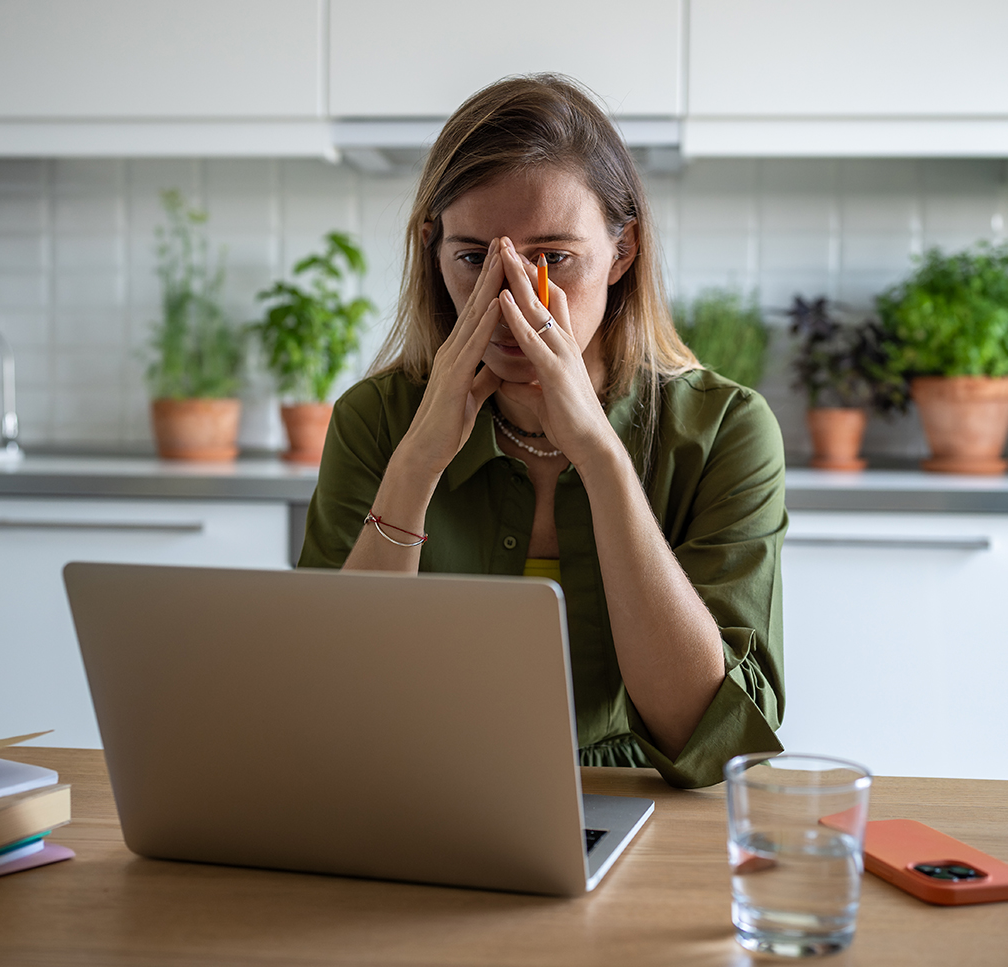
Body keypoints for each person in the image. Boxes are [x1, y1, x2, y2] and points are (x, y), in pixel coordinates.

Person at [298, 74, 786, 788]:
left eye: (554, 257)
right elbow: (328, 704)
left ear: (622, 254)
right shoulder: (374, 420)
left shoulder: (726, 431)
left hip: (637, 800)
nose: (514, 299)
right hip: (423, 789)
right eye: (473, 259)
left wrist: (600, 455)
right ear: (434, 258)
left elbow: (705, 737)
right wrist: (415, 467)